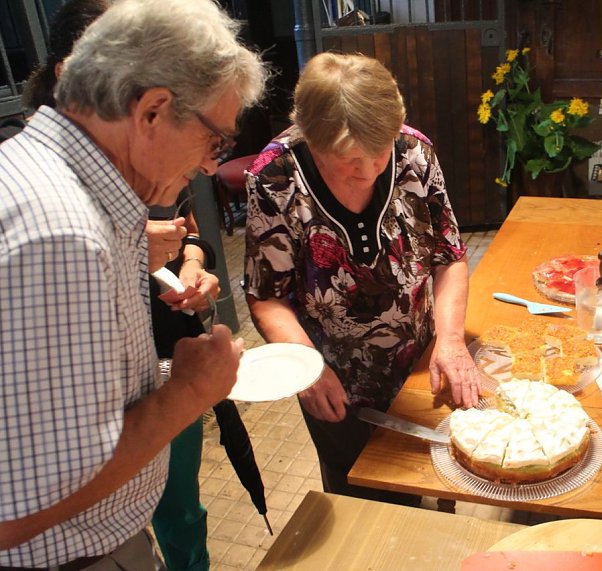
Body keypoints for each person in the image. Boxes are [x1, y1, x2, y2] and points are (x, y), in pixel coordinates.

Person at [0, 1, 267, 569]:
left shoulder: (58, 184)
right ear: (151, 112)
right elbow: (16, 510)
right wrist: (189, 392)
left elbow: (69, 414)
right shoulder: (61, 233)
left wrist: (171, 373)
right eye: (213, 141)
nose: (205, 167)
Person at [243, 52, 481, 504]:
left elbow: (449, 257)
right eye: (348, 159)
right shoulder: (274, 177)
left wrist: (449, 340)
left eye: (379, 151)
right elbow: (266, 296)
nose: (369, 169)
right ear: (311, 139)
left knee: (437, 472)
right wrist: (308, 370)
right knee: (357, 489)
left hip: (418, 363)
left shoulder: (414, 152)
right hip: (329, 371)